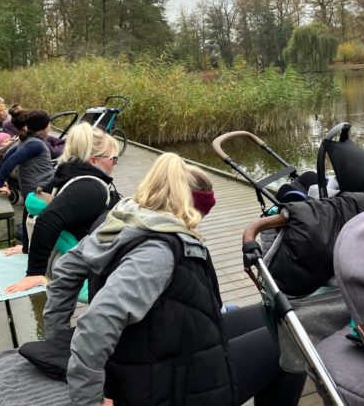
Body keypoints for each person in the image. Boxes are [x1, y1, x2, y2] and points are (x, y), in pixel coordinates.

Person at [43, 153, 306, 406]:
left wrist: (56, 339)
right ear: (189, 206)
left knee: (274, 316)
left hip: (160, 343)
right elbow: (97, 323)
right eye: (200, 216)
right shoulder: (158, 251)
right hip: (162, 383)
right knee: (294, 341)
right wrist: (87, 399)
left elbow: (65, 269)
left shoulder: (124, 219)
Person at [4, 122, 122, 291]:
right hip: (74, 268)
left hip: (59, 256)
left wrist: (27, 248)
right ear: (93, 160)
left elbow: (33, 200)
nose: (115, 164)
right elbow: (48, 220)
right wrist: (35, 273)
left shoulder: (67, 172)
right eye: (113, 159)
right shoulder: (92, 188)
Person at [0, 110, 55, 250]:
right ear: (46, 127)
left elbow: (6, 156)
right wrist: (0, 182)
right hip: (42, 189)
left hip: (32, 189)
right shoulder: (36, 144)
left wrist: (2, 178)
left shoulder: (25, 140)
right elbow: (12, 160)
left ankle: (27, 244)